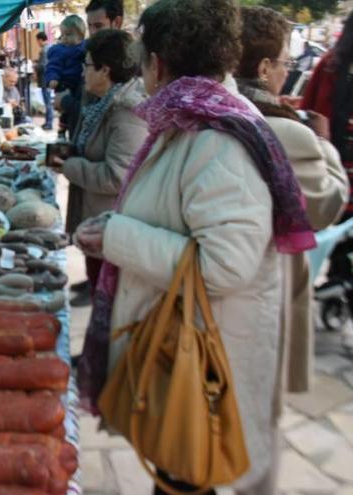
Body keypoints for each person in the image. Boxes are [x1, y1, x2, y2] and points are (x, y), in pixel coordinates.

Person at [75, 0, 316, 493]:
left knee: (185, 475)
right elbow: (174, 211)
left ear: (158, 63)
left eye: (142, 58)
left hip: (196, 362)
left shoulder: (214, 137)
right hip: (181, 344)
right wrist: (116, 226)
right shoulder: (190, 120)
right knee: (175, 472)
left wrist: (119, 238)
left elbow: (226, 264)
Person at [236, 6, 348, 399]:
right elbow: (326, 204)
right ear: (265, 68)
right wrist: (323, 143)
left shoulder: (214, 111)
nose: (288, 71)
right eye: (284, 62)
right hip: (261, 284)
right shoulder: (286, 132)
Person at [50, 29, 147, 307]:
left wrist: (69, 165)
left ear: (105, 70)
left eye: (88, 65)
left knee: (109, 303)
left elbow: (117, 176)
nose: (82, 72)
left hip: (112, 227)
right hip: (98, 223)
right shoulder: (99, 102)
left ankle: (103, 351)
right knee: (99, 295)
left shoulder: (127, 112)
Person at [301, 12, 353, 296]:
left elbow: (309, 109)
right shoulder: (329, 66)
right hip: (339, 164)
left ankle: (337, 277)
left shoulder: (330, 65)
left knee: (333, 231)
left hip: (331, 164)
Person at [45, 15, 87, 135]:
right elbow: (53, 66)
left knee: (74, 109)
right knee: (65, 110)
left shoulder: (85, 47)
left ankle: (67, 128)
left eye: (69, 35)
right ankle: (62, 129)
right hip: (64, 83)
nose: (65, 38)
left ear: (80, 35)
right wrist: (52, 78)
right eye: (63, 35)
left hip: (79, 84)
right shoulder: (60, 50)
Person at [34, 32, 53, 130]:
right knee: (48, 101)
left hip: (44, 79)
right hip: (47, 79)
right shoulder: (49, 48)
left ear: (40, 40)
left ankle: (49, 123)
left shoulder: (44, 50)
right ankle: (48, 121)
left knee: (47, 102)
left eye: (37, 40)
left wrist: (35, 66)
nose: (37, 43)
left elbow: (43, 66)